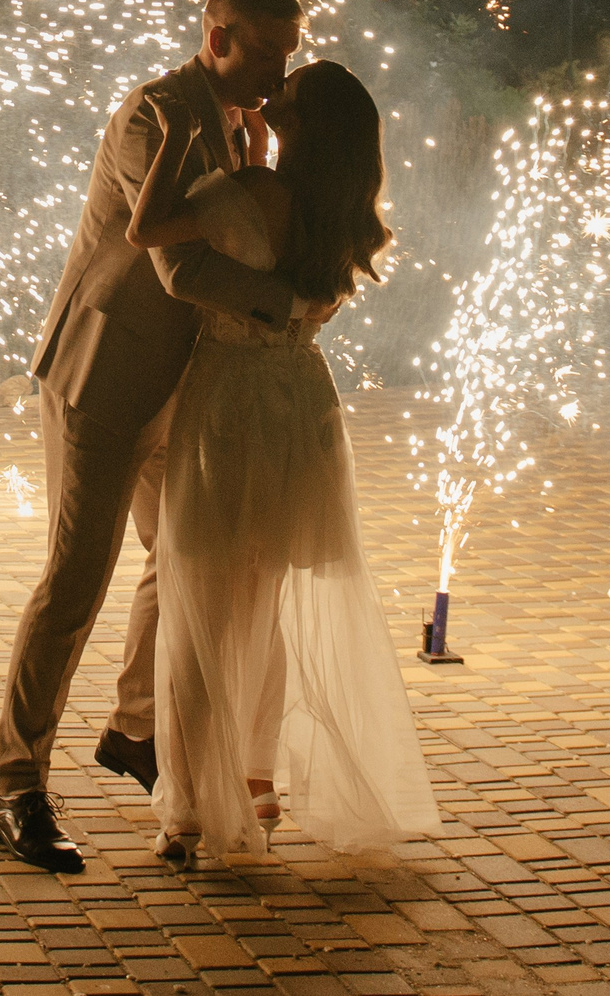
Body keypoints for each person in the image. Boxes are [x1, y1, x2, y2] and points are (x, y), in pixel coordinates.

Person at [0, 0, 335, 875]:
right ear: (218, 36)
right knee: (74, 582)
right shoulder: (155, 114)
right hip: (105, 374)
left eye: (289, 52)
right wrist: (289, 304)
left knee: (181, 556)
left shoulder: (239, 122)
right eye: (267, 51)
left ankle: (135, 728)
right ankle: (15, 787)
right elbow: (179, 266)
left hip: (186, 384)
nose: (280, 70)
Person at [125, 57, 440, 865]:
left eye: (282, 97)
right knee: (265, 601)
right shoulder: (347, 215)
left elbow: (148, 232)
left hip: (232, 399)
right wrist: (260, 149)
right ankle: (256, 778)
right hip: (301, 402)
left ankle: (189, 808)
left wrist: (177, 138)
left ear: (293, 124)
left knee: (202, 603)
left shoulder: (259, 193)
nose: (269, 98)